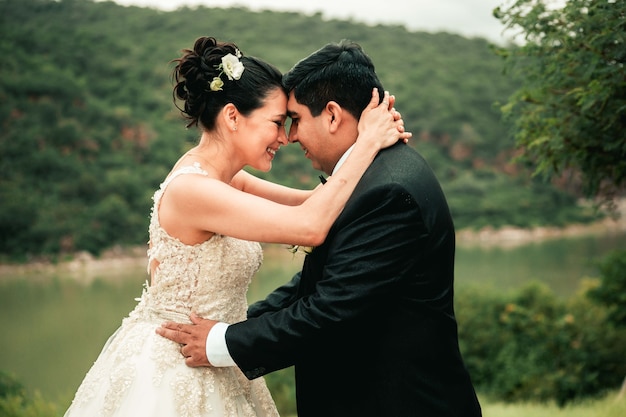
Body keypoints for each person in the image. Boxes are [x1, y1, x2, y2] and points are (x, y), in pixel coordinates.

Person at [63, 37, 408, 417]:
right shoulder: (193, 190)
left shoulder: (226, 179)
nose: (284, 137)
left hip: (216, 355)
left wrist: (368, 146)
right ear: (232, 117)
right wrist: (368, 142)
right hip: (176, 365)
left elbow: (315, 203)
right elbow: (310, 226)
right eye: (276, 123)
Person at [158, 39, 482, 417]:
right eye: (280, 123)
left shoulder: (388, 190)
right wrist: (234, 324)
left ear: (331, 115)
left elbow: (330, 309)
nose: (289, 137)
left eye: (293, 121)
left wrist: (223, 340)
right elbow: (322, 276)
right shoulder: (375, 177)